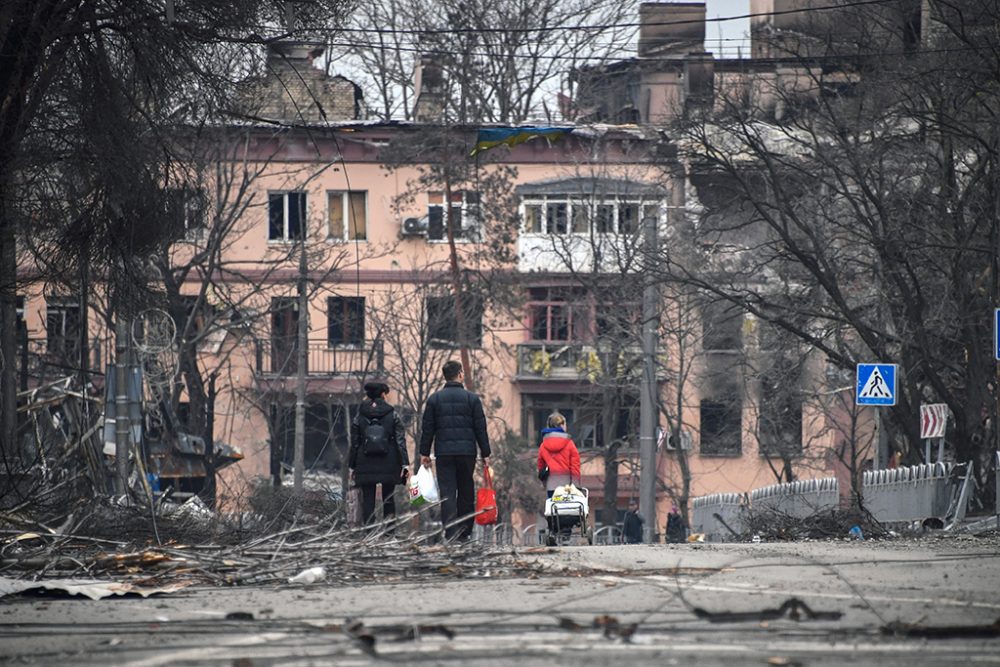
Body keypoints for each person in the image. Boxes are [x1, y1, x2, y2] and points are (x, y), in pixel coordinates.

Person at [419, 360, 491, 541]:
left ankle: (450, 532)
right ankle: (464, 533)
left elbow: (428, 429)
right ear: (460, 374)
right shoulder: (472, 399)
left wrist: (424, 452)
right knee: (466, 491)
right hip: (467, 453)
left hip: (444, 453)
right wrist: (486, 453)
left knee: (448, 492)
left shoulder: (434, 399)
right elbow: (480, 428)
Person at [349, 382, 409, 526]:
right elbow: (400, 440)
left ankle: (369, 530)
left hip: (365, 461)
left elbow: (355, 443)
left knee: (368, 498)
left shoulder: (360, 415)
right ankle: (389, 532)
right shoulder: (393, 414)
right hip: (389, 461)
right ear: (383, 394)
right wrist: (405, 464)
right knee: (388, 497)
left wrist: (352, 465)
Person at [537, 413, 581, 498]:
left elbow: (541, 466)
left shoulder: (543, 445)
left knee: (553, 508)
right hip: (568, 487)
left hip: (551, 485)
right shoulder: (569, 444)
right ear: (561, 425)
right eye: (565, 424)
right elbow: (575, 465)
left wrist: (544, 482)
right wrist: (576, 485)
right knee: (567, 510)